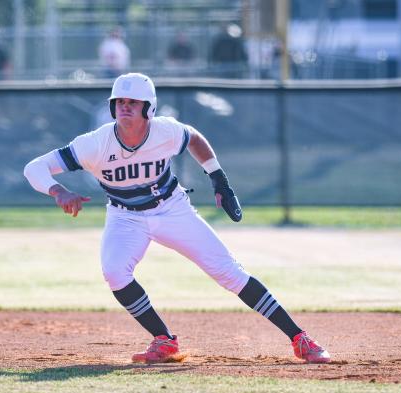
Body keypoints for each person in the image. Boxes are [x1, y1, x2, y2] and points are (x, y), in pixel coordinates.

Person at [23, 73, 330, 364]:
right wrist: (58, 190)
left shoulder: (165, 131)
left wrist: (219, 180)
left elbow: (194, 139)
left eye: (133, 102)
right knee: (115, 272)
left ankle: (301, 339)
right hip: (124, 216)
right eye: (119, 102)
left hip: (172, 209)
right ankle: (164, 339)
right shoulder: (94, 143)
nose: (125, 107)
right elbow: (34, 167)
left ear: (149, 109)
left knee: (229, 273)